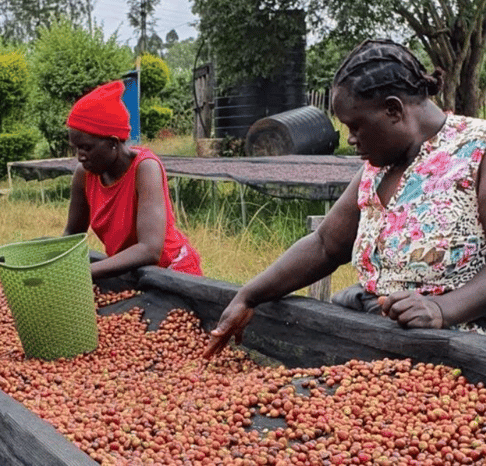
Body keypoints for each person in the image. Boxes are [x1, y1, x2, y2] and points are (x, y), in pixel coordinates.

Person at [204, 38, 486, 359]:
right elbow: (325, 244)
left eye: (356, 126)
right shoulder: (378, 165)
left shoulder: (476, 151)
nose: (350, 139)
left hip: (459, 352)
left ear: (393, 109)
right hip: (373, 340)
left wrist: (441, 308)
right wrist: (248, 296)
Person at [63, 79, 202, 280]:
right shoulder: (84, 174)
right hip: (130, 274)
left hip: (171, 273)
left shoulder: (145, 169)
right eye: (76, 148)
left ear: (112, 142)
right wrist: (48, 261)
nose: (80, 156)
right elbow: (72, 235)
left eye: (86, 147)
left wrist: (84, 274)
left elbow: (150, 249)